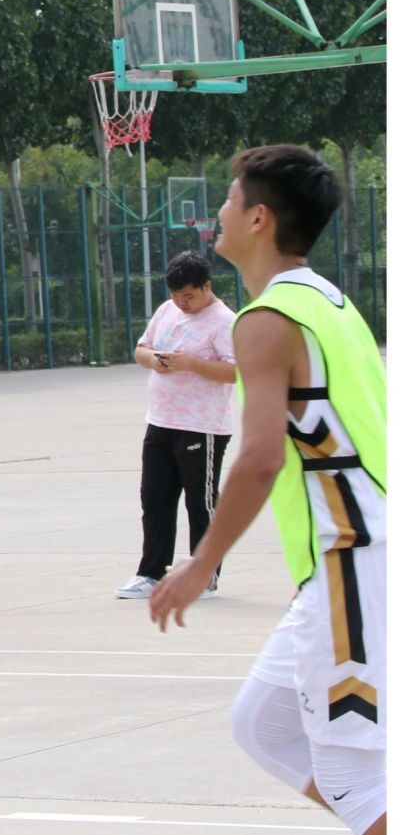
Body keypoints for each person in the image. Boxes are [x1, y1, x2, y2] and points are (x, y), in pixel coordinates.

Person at [151, 147, 386, 835]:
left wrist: (202, 564)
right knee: (265, 725)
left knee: (353, 776)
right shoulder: (329, 302)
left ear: (258, 218)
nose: (217, 214)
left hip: (356, 559)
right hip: (355, 558)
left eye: (228, 201)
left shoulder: (266, 320)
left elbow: (258, 458)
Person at [116, 252, 236, 599]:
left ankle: (204, 576)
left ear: (206, 287)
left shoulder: (225, 322)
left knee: (200, 503)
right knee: (154, 498)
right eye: (175, 295)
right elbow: (141, 349)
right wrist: (155, 360)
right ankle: (150, 574)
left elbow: (237, 371)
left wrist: (192, 364)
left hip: (202, 426)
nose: (181, 302)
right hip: (160, 420)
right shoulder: (167, 310)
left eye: (188, 296)